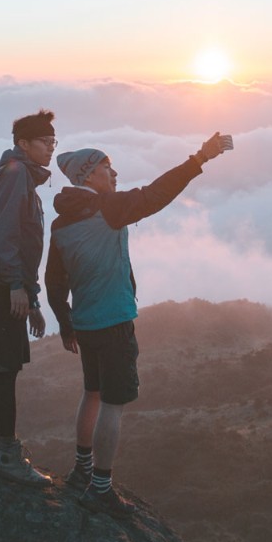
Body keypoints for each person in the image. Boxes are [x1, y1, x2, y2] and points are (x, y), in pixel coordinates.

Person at [45, 132, 231, 517]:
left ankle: (81, 470)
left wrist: (66, 325)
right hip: (113, 321)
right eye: (106, 167)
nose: (114, 173)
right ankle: (100, 487)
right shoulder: (108, 209)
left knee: (92, 392)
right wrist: (200, 158)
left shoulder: (61, 223)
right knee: (113, 403)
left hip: (85, 323)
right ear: (89, 175)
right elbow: (156, 194)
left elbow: (54, 282)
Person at [0, 109, 57, 486]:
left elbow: (20, 242)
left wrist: (32, 298)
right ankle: (7, 454)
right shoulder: (17, 176)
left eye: (54, 142)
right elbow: (5, 236)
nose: (51, 149)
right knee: (5, 368)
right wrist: (17, 287)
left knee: (0, 366)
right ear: (23, 144)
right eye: (45, 142)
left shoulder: (20, 177)